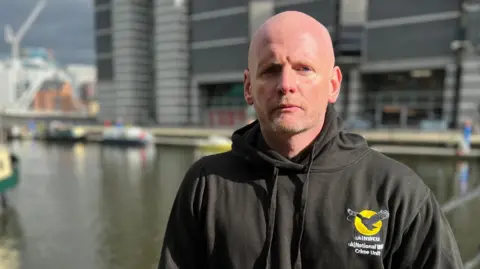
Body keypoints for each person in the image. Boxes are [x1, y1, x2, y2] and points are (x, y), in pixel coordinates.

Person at [158, 11, 464, 269]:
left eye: (304, 69)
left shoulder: (398, 193)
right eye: (271, 70)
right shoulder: (206, 184)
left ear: (333, 85)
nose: (286, 85)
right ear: (249, 87)